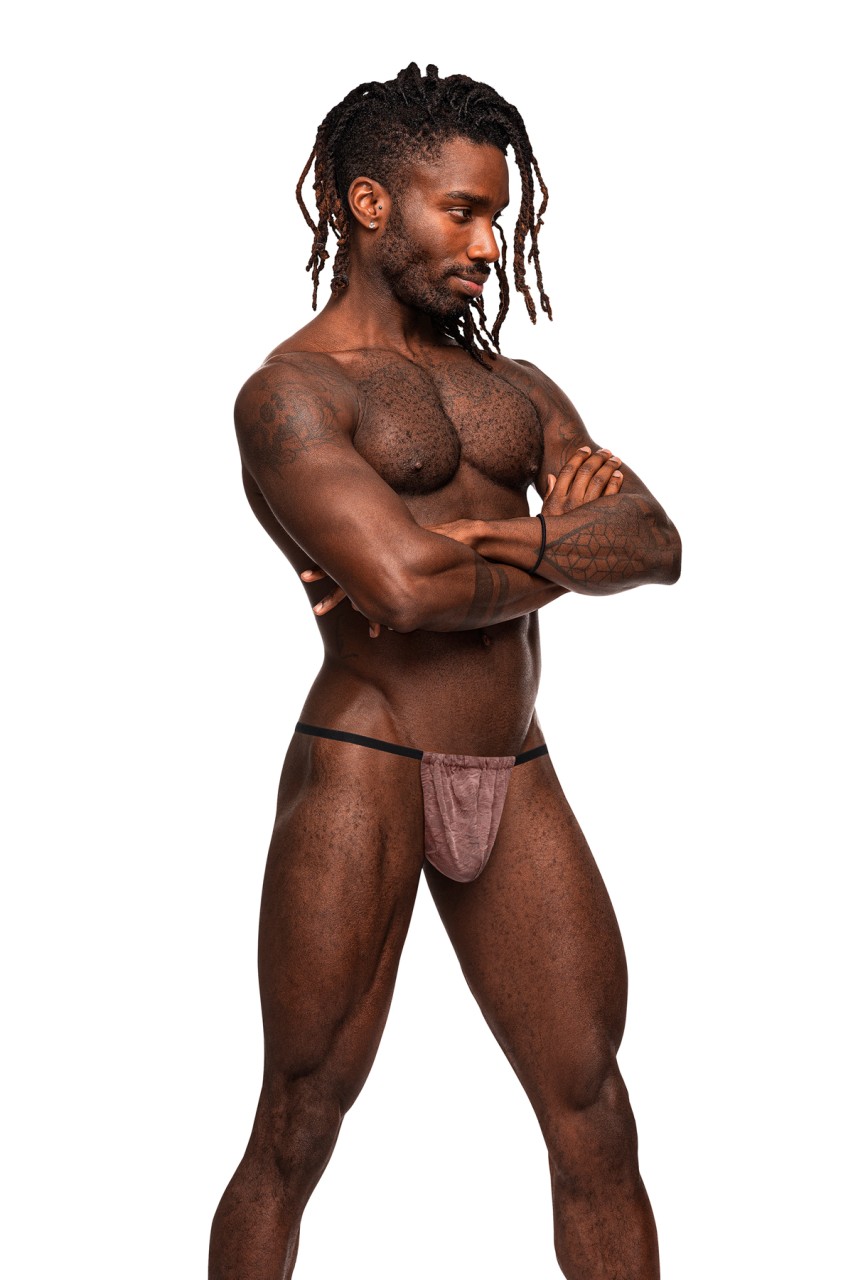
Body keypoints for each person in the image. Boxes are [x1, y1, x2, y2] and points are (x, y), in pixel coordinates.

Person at [209, 63, 680, 1280]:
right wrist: (556, 541)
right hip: (366, 755)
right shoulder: (290, 395)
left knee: (594, 1109)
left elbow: (654, 541)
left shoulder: (513, 389)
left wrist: (485, 544)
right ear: (370, 204)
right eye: (461, 211)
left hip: (513, 764)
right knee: (297, 1123)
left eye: (496, 214)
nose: (488, 242)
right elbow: (404, 592)